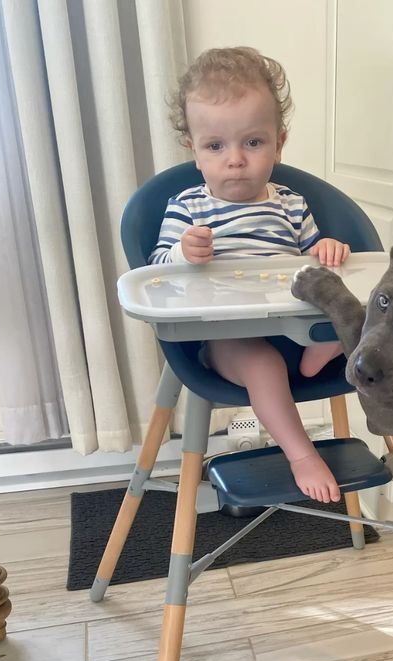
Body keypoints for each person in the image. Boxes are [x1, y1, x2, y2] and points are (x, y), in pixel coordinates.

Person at [150, 47, 350, 503]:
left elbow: (313, 261)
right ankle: (301, 454)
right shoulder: (189, 207)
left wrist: (327, 248)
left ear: (278, 143)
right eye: (215, 146)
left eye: (253, 143)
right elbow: (155, 272)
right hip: (229, 339)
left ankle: (315, 357)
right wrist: (183, 253)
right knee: (262, 363)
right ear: (194, 151)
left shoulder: (290, 204)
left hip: (296, 328)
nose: (235, 159)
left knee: (365, 311)